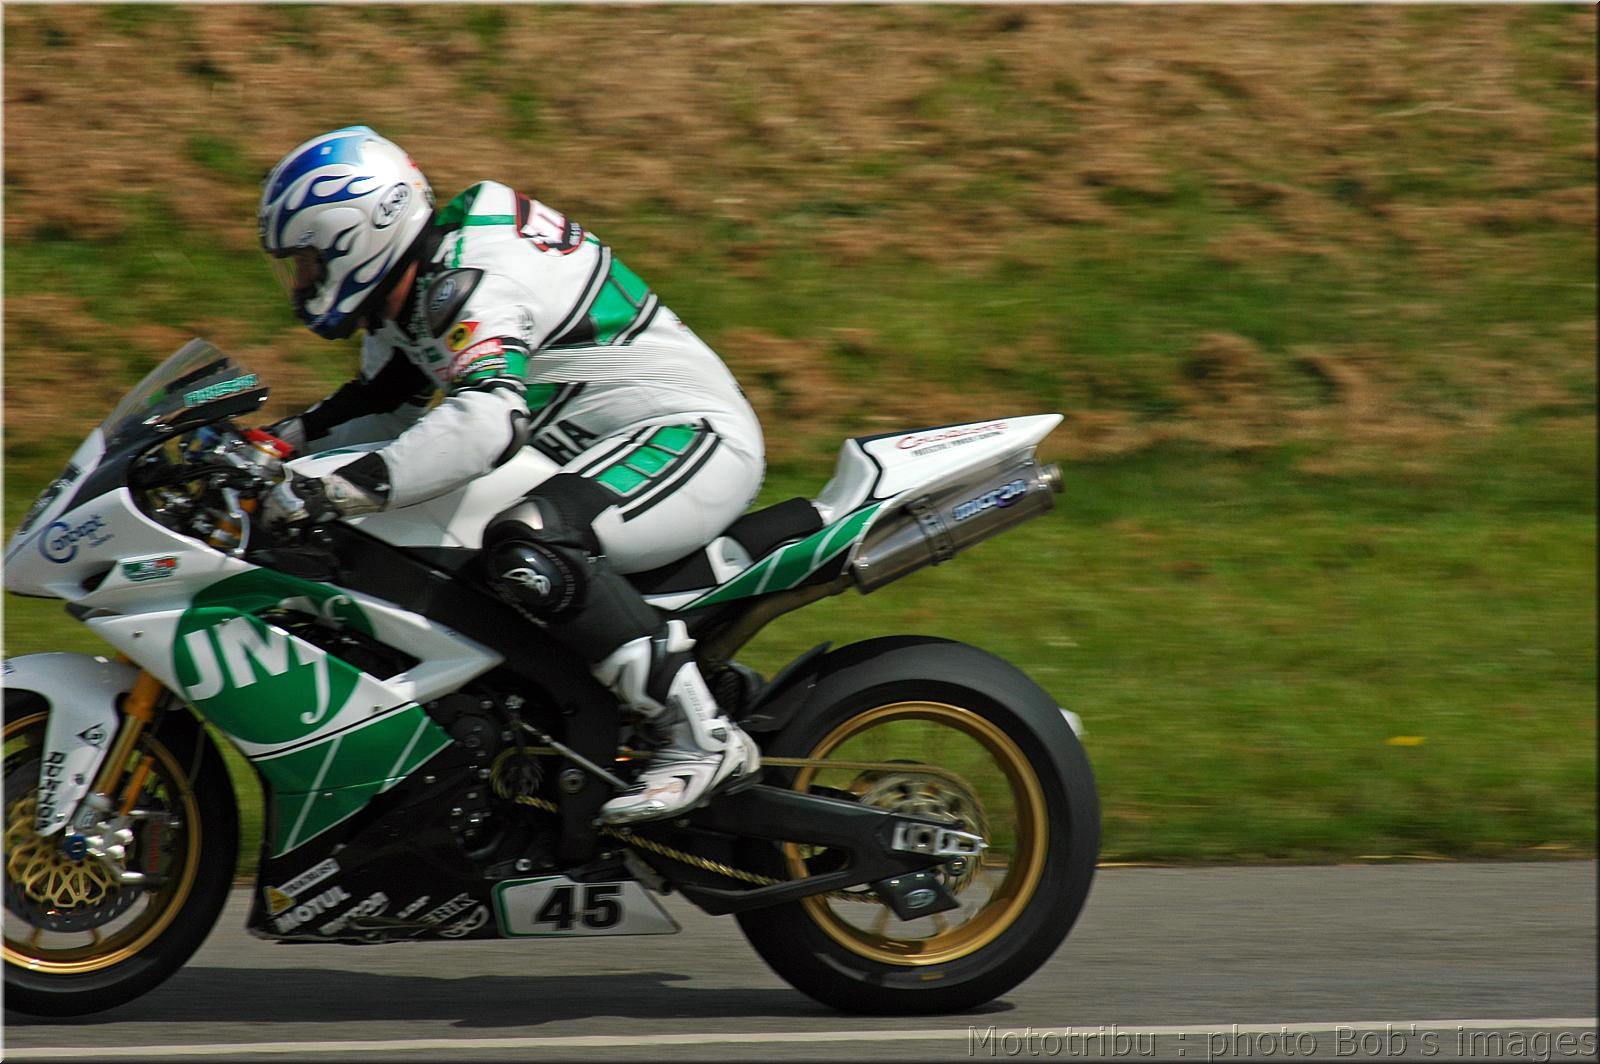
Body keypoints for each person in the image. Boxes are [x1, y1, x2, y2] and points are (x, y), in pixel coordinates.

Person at [256, 126, 762, 824]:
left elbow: (488, 421)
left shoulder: (473, 279)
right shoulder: (416, 287)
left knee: (530, 542)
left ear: (358, 234)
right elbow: (379, 408)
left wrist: (336, 490)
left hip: (688, 436)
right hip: (595, 448)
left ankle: (700, 737)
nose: (303, 282)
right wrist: (265, 451)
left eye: (310, 261)